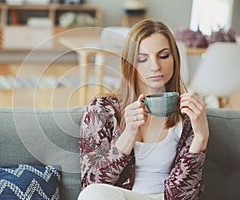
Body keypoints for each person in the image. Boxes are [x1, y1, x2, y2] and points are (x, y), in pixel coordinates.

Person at [78, 19, 209, 200]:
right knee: (94, 194)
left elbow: (182, 196)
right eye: (142, 59)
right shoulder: (102, 110)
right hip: (119, 197)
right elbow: (90, 183)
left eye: (163, 56)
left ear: (175, 59)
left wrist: (200, 137)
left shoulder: (188, 115)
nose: (155, 66)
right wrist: (129, 133)